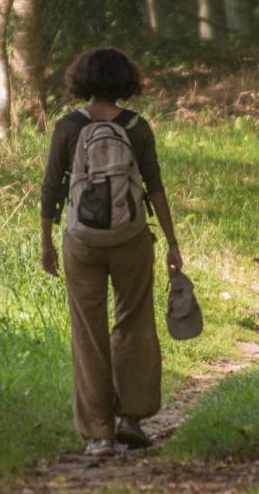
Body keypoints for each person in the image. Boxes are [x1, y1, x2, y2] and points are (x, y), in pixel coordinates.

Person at [40, 47, 182, 465]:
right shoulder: (137, 128)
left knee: (88, 333)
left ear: (81, 82)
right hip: (131, 237)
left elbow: (52, 186)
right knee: (134, 322)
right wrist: (172, 243)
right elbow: (154, 185)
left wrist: (46, 241)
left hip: (81, 242)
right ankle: (131, 421)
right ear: (125, 82)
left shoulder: (67, 127)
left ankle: (97, 434)